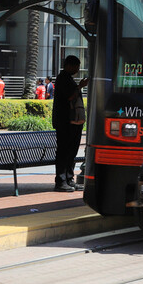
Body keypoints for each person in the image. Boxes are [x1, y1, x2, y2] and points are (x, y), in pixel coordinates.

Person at [52, 56, 88, 192]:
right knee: (64, 151)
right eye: (76, 67)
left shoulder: (69, 79)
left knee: (71, 151)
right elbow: (69, 96)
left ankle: (69, 178)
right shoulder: (63, 79)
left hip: (74, 121)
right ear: (69, 65)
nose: (77, 70)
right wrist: (80, 86)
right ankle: (61, 181)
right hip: (65, 121)